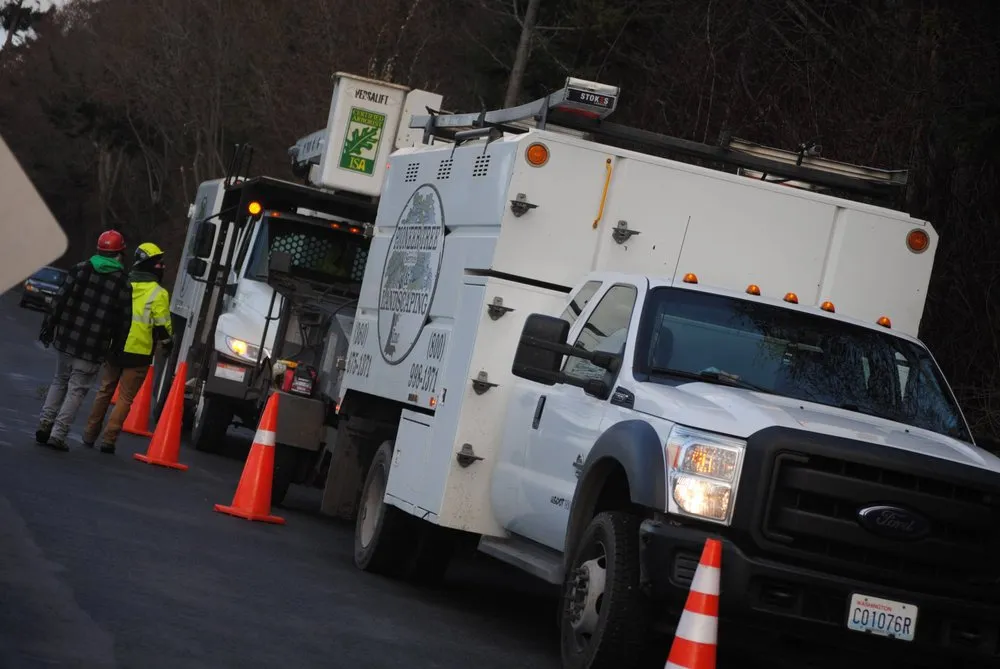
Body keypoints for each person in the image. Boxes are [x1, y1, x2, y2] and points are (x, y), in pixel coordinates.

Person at [36, 230, 131, 451]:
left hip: (67, 339)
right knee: (77, 389)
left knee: (59, 381)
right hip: (93, 347)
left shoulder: (80, 269)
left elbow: (59, 300)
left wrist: (48, 327)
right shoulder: (122, 283)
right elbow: (124, 320)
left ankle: (45, 423)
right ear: (119, 253)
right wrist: (117, 347)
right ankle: (58, 435)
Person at [83, 242, 173, 454]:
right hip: (139, 352)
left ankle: (89, 433)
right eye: (158, 262)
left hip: (114, 346)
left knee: (105, 390)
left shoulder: (123, 283)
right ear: (150, 264)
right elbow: (162, 325)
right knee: (125, 398)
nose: (161, 266)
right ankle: (109, 440)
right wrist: (168, 343)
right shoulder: (158, 293)